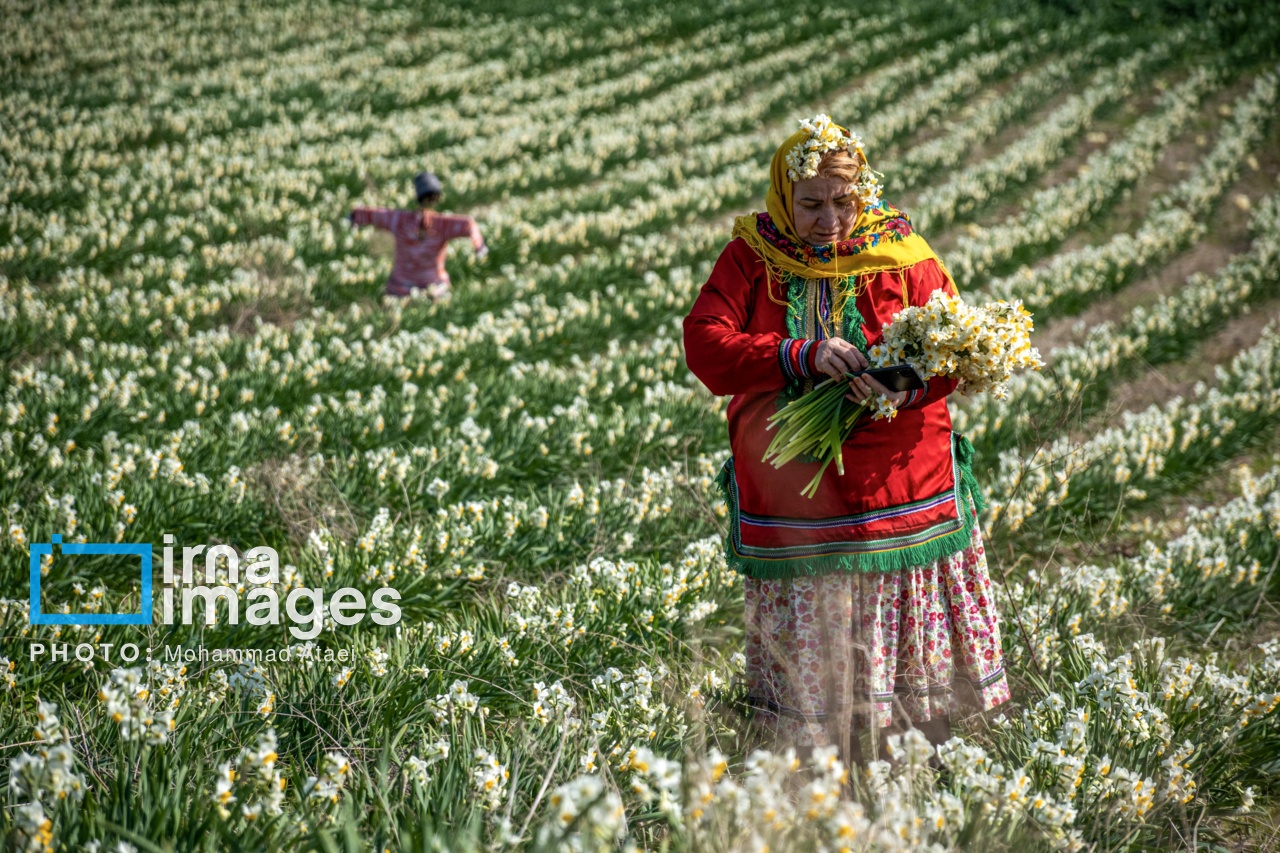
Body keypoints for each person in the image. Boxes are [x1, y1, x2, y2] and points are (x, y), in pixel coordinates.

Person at [683, 115, 1009, 769]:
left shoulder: (900, 253)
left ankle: (919, 736)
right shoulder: (753, 256)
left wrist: (895, 385)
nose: (828, 219)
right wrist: (795, 354)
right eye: (810, 204)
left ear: (865, 193)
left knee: (898, 600)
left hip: (898, 477)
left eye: (843, 201)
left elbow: (953, 348)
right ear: (784, 197)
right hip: (796, 487)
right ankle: (816, 743)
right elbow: (705, 344)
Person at [347, 171, 488, 302]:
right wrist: (479, 246)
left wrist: (354, 217)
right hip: (433, 288)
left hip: (402, 288)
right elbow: (469, 224)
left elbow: (373, 215)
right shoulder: (443, 224)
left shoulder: (399, 220)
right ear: (437, 197)